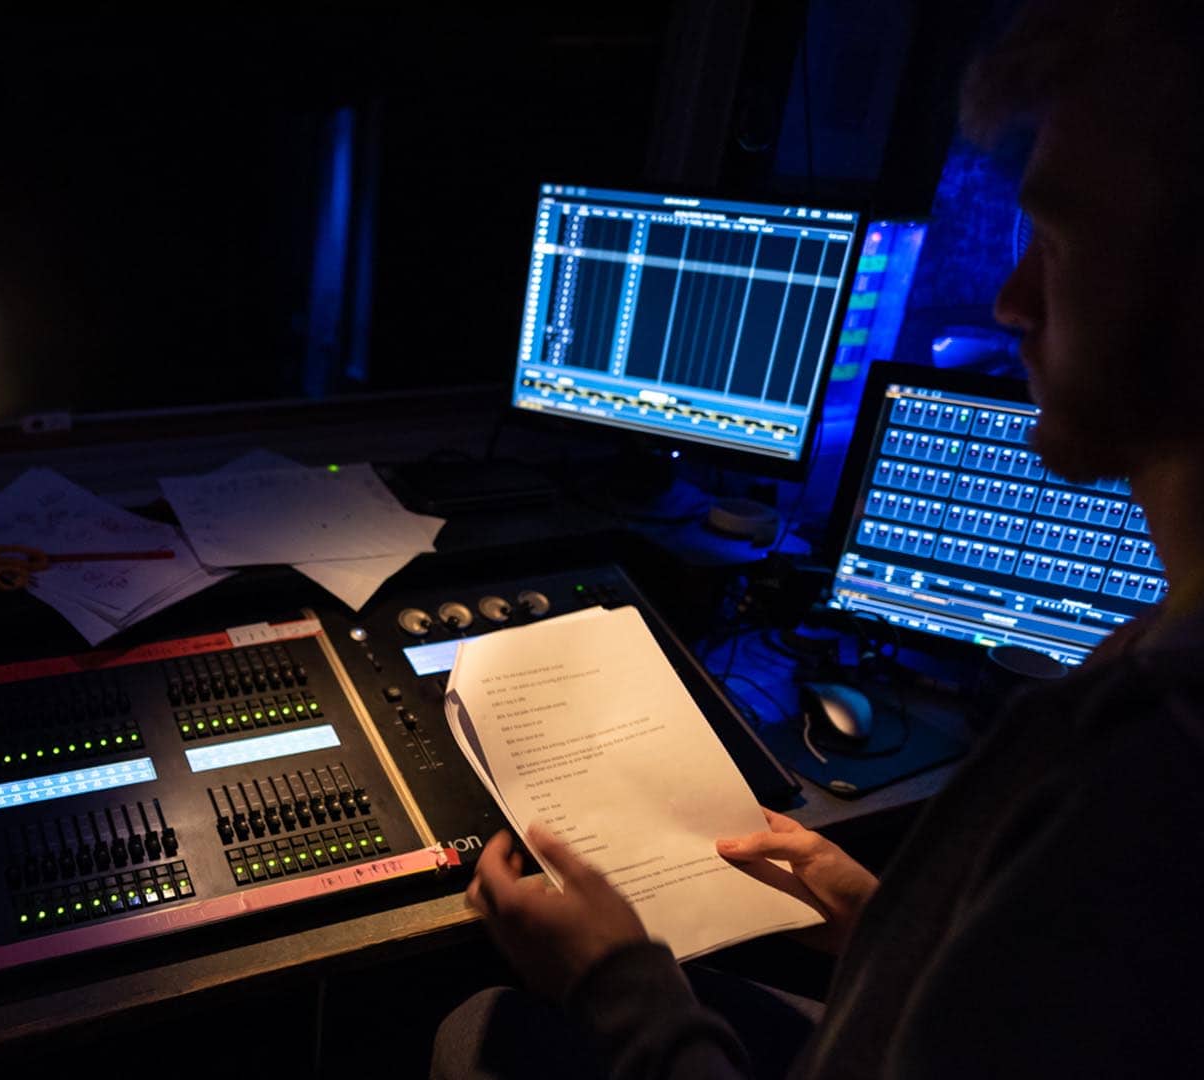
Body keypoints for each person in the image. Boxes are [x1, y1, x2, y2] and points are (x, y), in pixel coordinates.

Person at [434, 1, 1204, 1076]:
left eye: (1064, 239)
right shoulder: (1153, 660)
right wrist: (877, 915)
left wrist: (615, 986)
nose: (1013, 300)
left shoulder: (1151, 783)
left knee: (480, 1032)